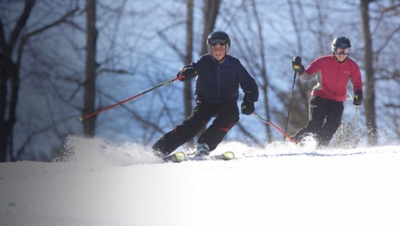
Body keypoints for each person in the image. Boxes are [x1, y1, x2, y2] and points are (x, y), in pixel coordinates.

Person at [152, 31, 259, 157]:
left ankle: (205, 145)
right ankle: (161, 148)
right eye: (214, 48)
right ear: (209, 48)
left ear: (227, 48)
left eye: (221, 48)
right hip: (206, 103)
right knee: (191, 127)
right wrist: (186, 72)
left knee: (231, 115)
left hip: (227, 102)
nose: (217, 51)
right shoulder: (204, 61)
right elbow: (185, 71)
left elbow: (249, 83)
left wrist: (249, 100)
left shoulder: (234, 64)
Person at [291, 36, 363, 148]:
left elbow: (357, 83)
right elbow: (307, 75)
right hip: (320, 98)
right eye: (340, 50)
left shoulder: (352, 66)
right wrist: (299, 69)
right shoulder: (323, 62)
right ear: (334, 49)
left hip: (337, 101)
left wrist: (358, 94)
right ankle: (293, 143)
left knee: (333, 125)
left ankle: (320, 146)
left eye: (346, 51)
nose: (342, 54)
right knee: (315, 126)